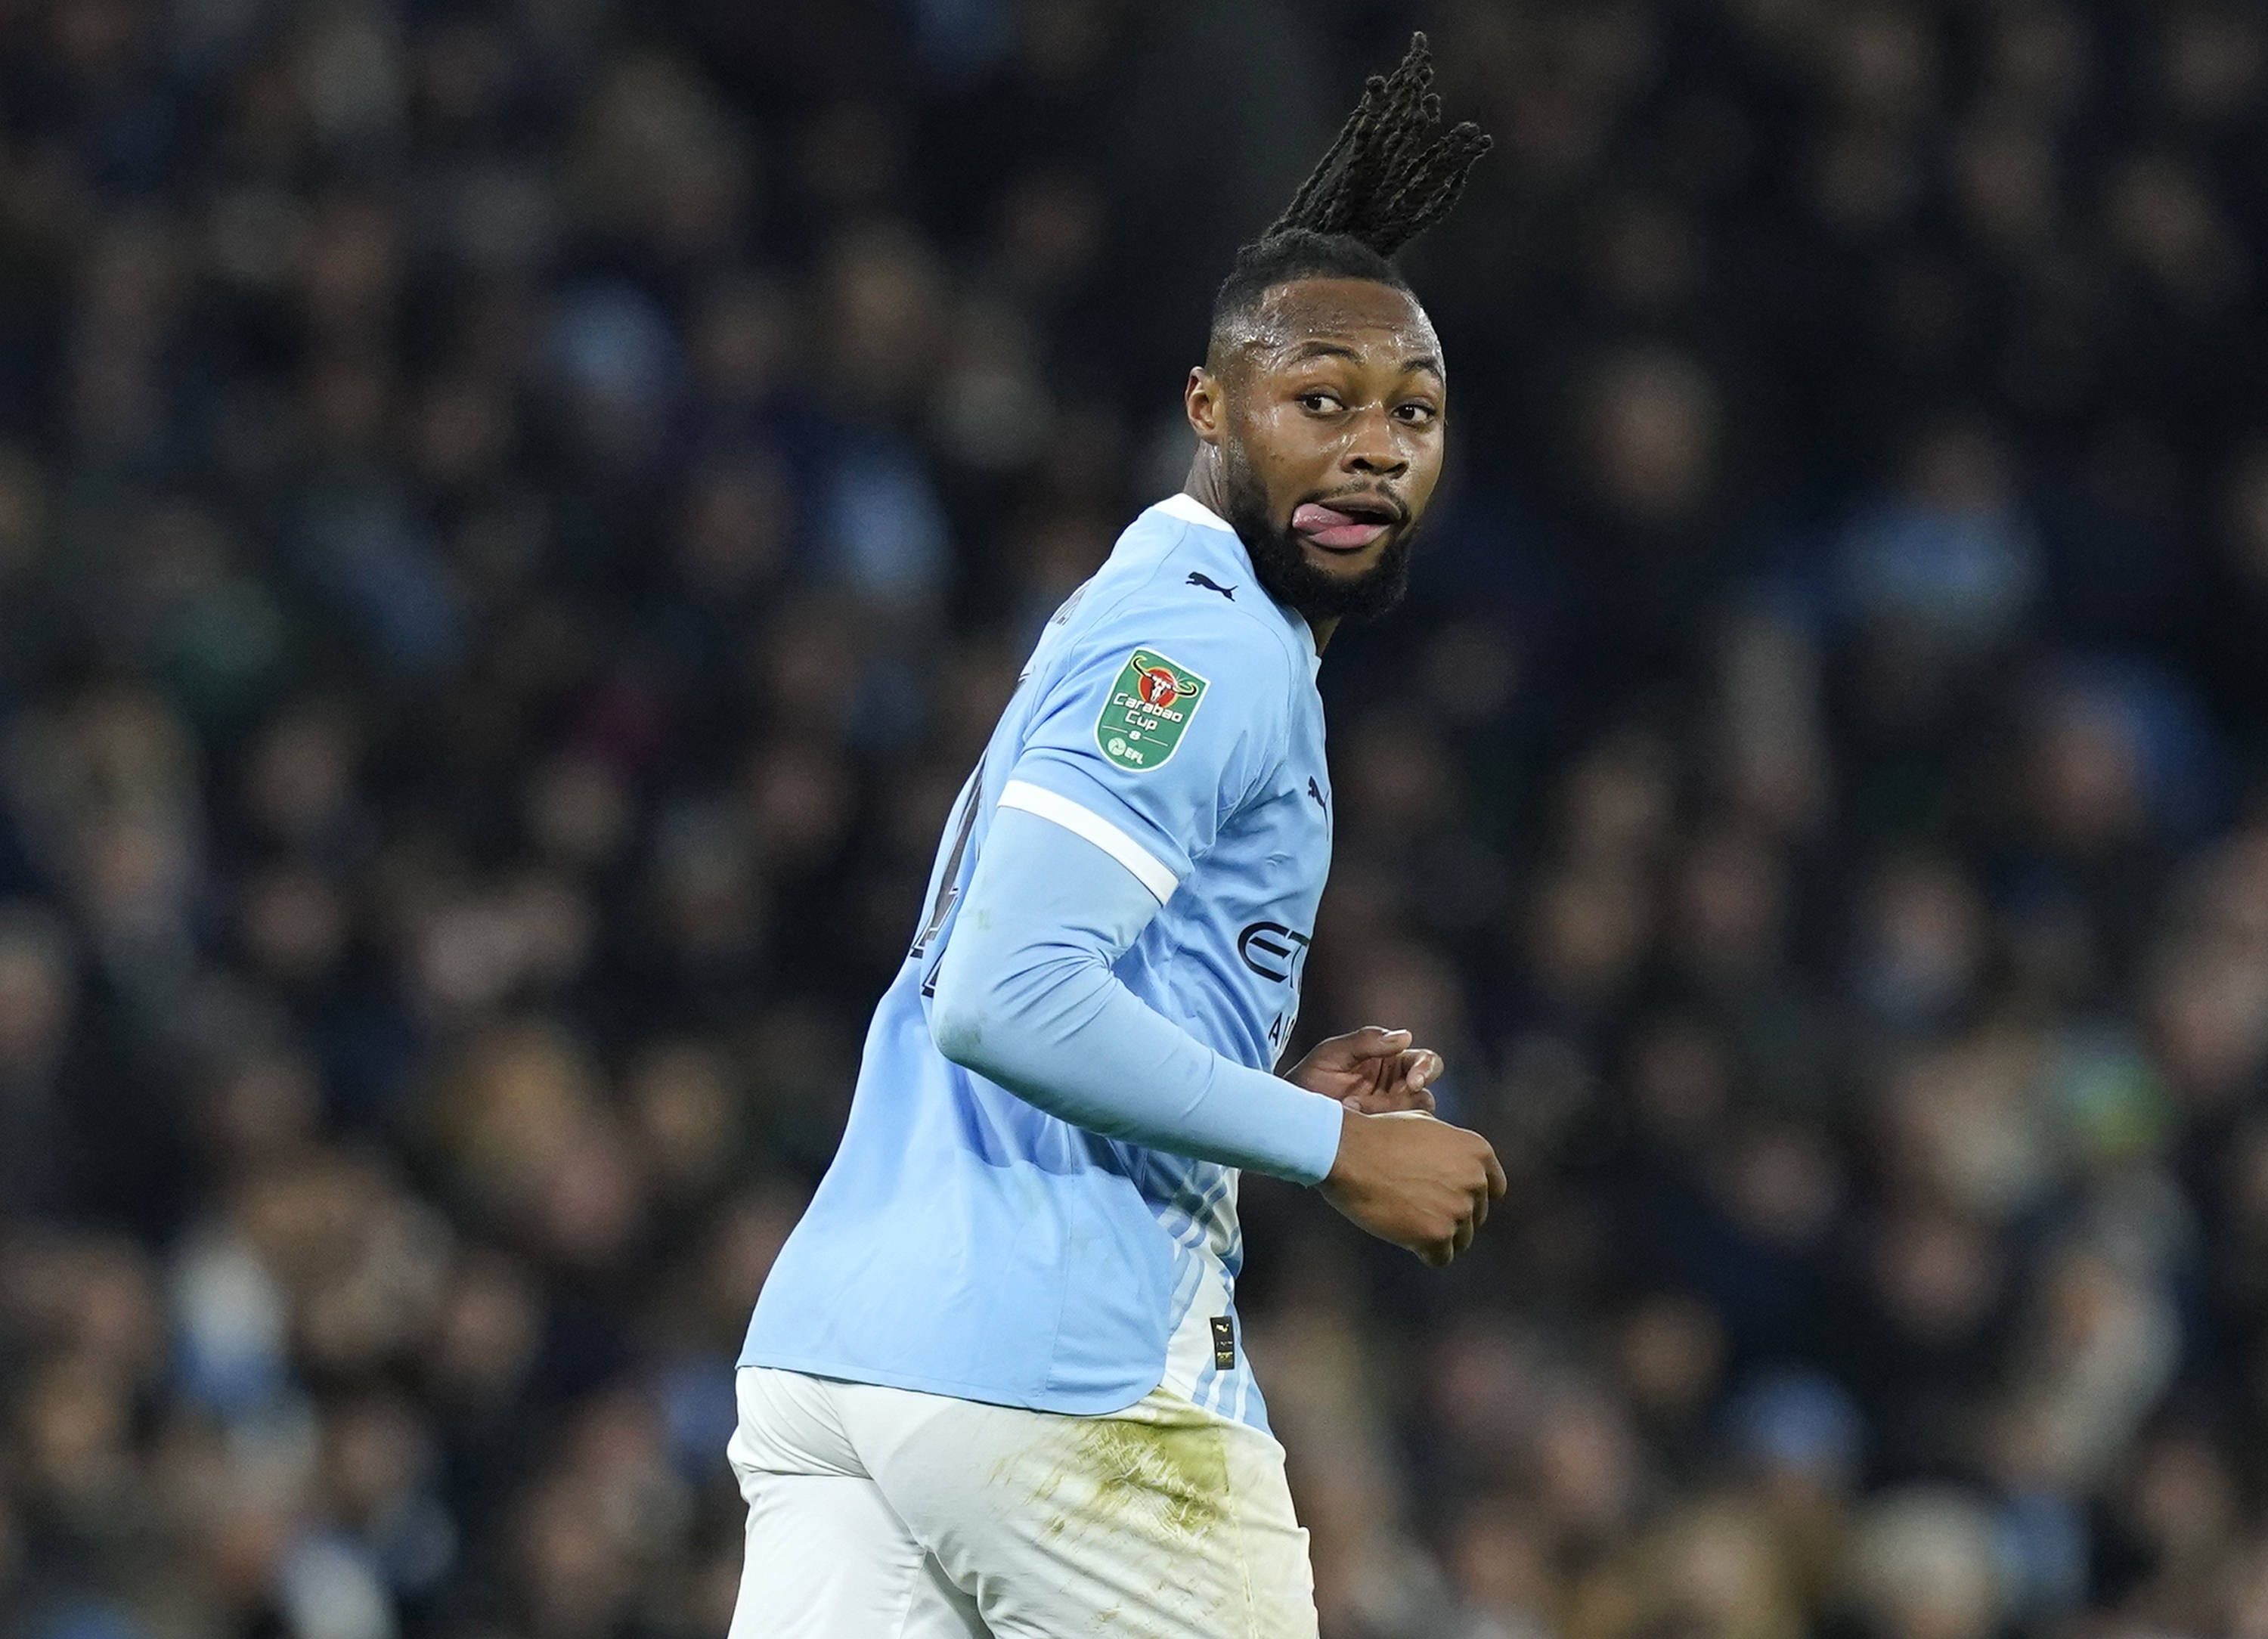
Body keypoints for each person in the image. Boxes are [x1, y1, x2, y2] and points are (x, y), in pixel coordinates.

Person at [728, 36, 1502, 1638]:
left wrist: (1257, 1098)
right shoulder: (1202, 644)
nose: (1372, 446)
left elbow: (1044, 986)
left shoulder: (1152, 611)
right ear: (1212, 409)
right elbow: (1006, 991)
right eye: (1321, 401)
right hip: (1055, 1377)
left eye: (1410, 412)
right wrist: (1334, 1149)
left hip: (848, 1357)